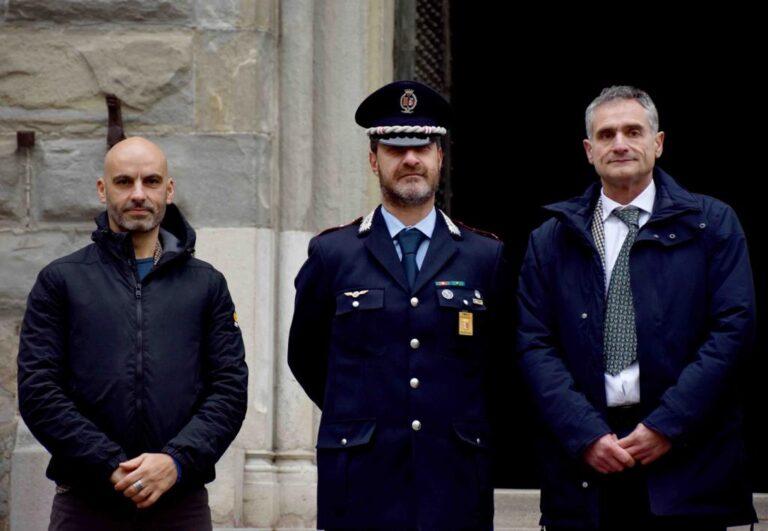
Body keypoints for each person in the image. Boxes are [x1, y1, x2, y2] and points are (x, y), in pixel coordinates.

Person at [516, 86, 757, 530]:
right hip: (587, 466)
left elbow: (733, 330)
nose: (620, 144)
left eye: (633, 131)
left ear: (658, 143)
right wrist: (584, 433)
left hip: (689, 463)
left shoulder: (712, 224)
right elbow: (534, 344)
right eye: (606, 135)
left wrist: (667, 425)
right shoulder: (550, 239)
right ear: (589, 151)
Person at [287, 80, 507, 529]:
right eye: (394, 148)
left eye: (423, 147)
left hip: (455, 479)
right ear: (374, 160)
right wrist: (363, 412)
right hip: (361, 479)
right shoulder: (333, 254)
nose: (410, 159)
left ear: (439, 157)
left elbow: (502, 366)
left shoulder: (484, 256)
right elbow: (306, 356)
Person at [17, 137, 248, 530]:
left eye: (151, 181)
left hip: (180, 502)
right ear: (102, 189)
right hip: (86, 502)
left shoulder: (206, 285)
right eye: (124, 182)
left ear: (169, 190)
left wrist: (176, 461)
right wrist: (109, 464)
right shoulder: (62, 280)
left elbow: (228, 390)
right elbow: (39, 391)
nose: (138, 194)